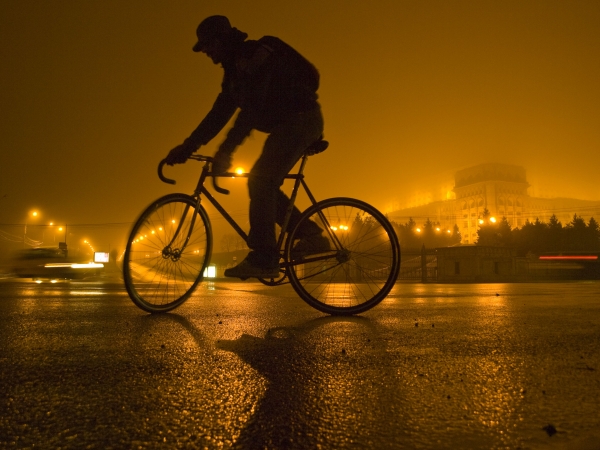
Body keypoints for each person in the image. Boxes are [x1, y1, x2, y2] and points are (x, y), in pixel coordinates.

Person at [165, 15, 329, 279]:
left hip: (301, 120)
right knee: (263, 182)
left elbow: (250, 112)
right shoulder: (234, 75)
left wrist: (225, 151)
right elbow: (218, 115)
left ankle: (266, 257)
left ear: (220, 40)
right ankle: (307, 235)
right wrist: (186, 147)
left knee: (260, 181)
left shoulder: (256, 57)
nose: (205, 51)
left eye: (207, 45)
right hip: (290, 124)